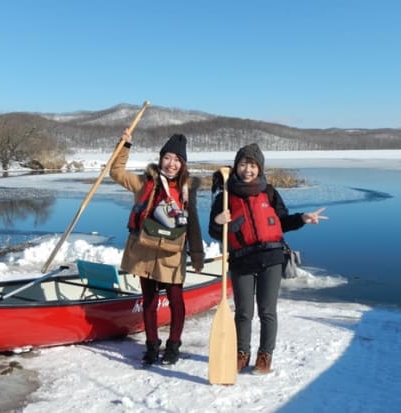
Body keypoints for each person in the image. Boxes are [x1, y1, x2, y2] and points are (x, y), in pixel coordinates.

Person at [209, 143, 327, 374]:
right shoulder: (225, 196)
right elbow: (214, 232)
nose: (248, 169)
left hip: (271, 256)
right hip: (241, 259)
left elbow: (281, 221)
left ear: (259, 167)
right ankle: (241, 354)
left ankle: (265, 356)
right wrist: (218, 222)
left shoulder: (270, 192)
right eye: (243, 164)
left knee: (267, 310)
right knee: (244, 311)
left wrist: (302, 218)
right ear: (236, 167)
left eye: (252, 165)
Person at [110, 130, 204, 365]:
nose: (171, 164)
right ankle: (152, 346)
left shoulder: (186, 189)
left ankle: (173, 346)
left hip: (172, 253)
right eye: (168, 158)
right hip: (145, 251)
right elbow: (116, 172)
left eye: (177, 160)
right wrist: (124, 146)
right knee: (149, 301)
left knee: (176, 301)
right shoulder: (145, 183)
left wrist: (197, 254)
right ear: (161, 159)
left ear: (182, 164)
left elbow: (193, 223)